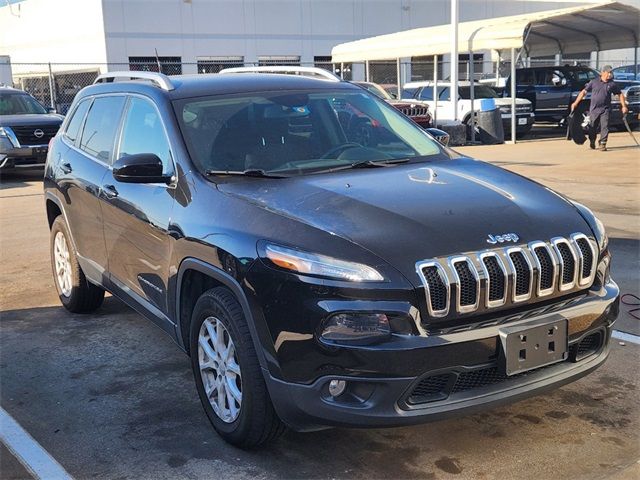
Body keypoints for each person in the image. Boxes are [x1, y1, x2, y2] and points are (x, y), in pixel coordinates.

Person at [571, 65, 628, 151]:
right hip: (594, 109)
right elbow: (583, 92)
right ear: (603, 73)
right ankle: (592, 140)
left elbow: (620, 94)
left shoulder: (612, 84)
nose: (610, 74)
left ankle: (603, 143)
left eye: (611, 72)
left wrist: (623, 106)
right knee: (592, 127)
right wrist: (575, 103)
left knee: (605, 126)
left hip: (606, 109)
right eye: (608, 72)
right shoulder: (594, 82)